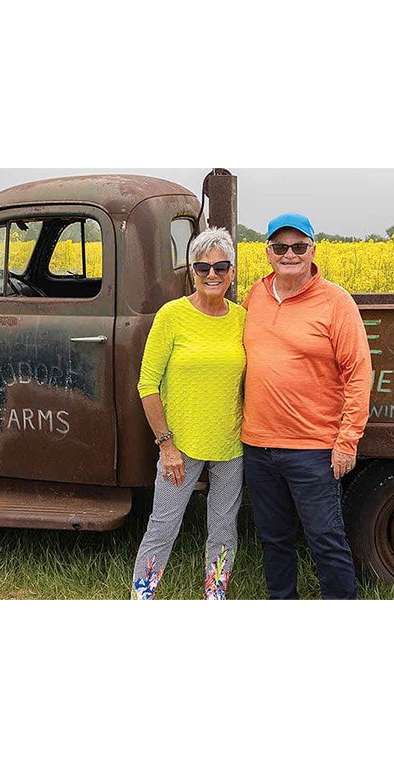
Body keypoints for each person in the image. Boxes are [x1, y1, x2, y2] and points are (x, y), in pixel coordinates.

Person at [242, 213, 372, 600]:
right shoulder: (256, 295)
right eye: (280, 247)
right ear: (267, 253)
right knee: (274, 539)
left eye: (299, 246)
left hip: (314, 448)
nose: (289, 254)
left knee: (326, 539)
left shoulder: (336, 301)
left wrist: (347, 441)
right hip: (258, 446)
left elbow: (359, 374)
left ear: (313, 250)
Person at [131, 227, 247, 600]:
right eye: (203, 267)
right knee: (163, 525)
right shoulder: (172, 316)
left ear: (232, 272)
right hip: (179, 446)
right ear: (192, 271)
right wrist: (166, 444)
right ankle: (142, 596)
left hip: (231, 445)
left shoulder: (243, 319)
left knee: (224, 527)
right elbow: (147, 384)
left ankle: (215, 597)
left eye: (221, 267)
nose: (212, 275)